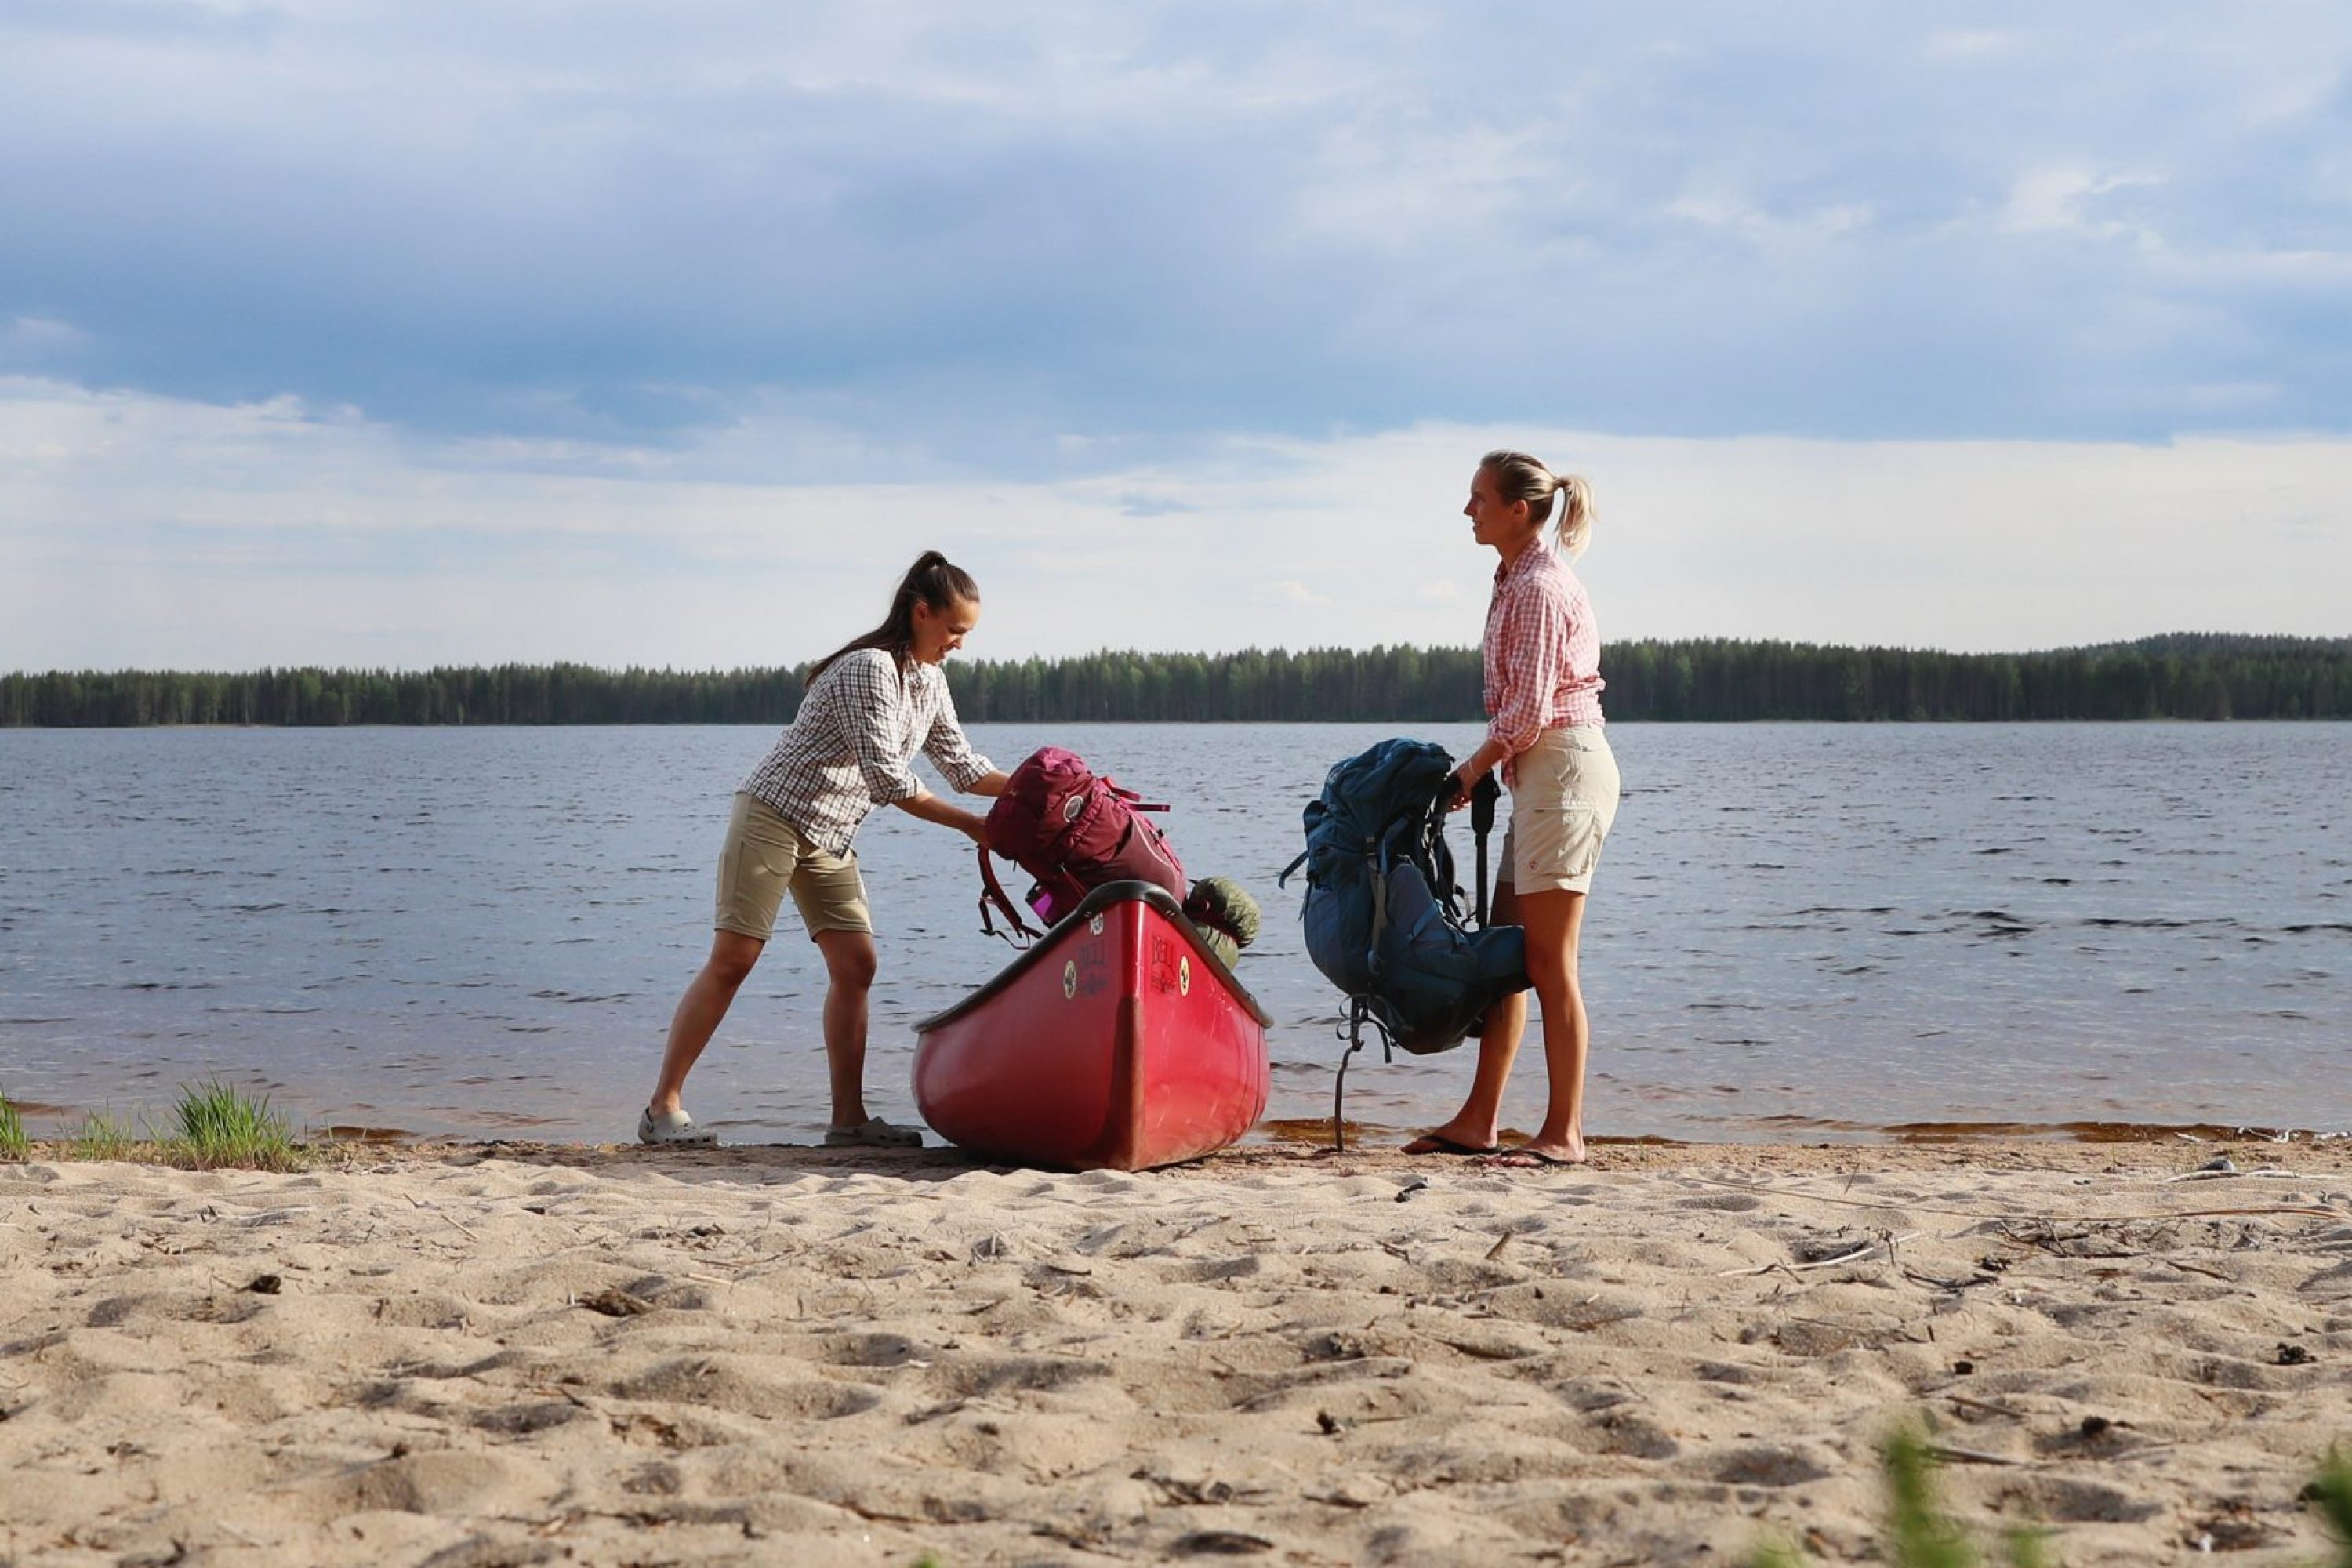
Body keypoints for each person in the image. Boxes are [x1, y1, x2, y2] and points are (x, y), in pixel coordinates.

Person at [640, 551, 1009, 1147]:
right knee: (735, 958)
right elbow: (890, 780)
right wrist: (973, 827)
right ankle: (662, 1109)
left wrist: (1049, 787)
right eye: (954, 631)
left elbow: (962, 766)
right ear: (922, 614)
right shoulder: (870, 669)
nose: (959, 645)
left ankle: (848, 1122)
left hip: (831, 835)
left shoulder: (929, 680)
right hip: (773, 815)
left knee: (856, 965)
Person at [1404, 450, 1620, 1167]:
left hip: (1563, 770)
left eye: (1478, 499)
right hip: (1541, 774)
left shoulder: (1537, 588)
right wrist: (1489, 772)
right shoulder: (1513, 580)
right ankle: (1480, 1120)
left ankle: (1565, 1134)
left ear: (1516, 510)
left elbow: (1527, 712)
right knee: (1506, 955)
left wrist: (1470, 771)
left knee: (1550, 961)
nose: (1468, 511)